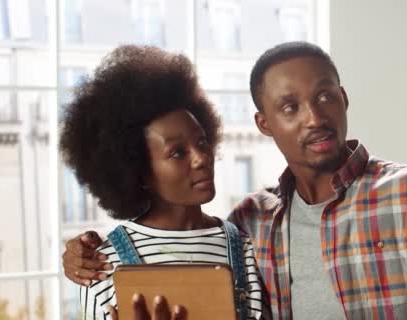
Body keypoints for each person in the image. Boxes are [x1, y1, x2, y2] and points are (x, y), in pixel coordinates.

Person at [62, 42, 407, 320]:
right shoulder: (248, 223)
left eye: (326, 96)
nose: (315, 117)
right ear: (264, 123)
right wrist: (81, 255)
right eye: (290, 107)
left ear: (344, 99)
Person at [59, 45, 269, 320]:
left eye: (202, 141)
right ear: (140, 171)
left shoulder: (246, 248)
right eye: (178, 152)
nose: (201, 158)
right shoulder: (102, 264)